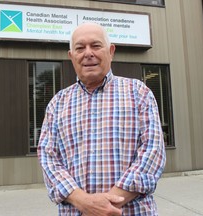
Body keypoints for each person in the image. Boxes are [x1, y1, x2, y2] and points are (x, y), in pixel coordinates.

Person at [38, 22, 166, 216]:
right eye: (80, 48)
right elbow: (48, 158)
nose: (88, 53)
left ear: (111, 51)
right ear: (71, 57)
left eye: (96, 46)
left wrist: (106, 204)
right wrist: (84, 202)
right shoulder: (57, 104)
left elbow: (152, 151)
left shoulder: (138, 93)